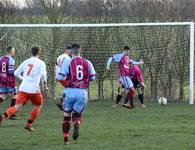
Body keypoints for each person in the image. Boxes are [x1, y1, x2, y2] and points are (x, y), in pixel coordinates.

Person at [0, 46, 48, 132]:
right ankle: (28, 125)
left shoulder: (26, 61)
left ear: (31, 52)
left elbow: (16, 73)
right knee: (38, 105)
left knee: (17, 107)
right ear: (39, 53)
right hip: (34, 89)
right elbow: (44, 76)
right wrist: (45, 86)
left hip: (23, 88)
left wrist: (23, 79)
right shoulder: (41, 63)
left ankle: (3, 117)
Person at [57, 43, 96, 145]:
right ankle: (77, 123)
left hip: (70, 91)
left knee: (66, 116)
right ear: (80, 50)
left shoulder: (68, 61)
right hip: (82, 92)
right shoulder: (88, 62)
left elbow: (59, 77)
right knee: (77, 114)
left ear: (71, 52)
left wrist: (69, 81)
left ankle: (66, 140)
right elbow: (93, 77)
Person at [0, 47, 17, 120]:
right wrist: (11, 83)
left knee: (2, 96)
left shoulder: (1, 58)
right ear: (11, 51)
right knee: (15, 95)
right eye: (13, 50)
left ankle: (12, 114)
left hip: (1, 79)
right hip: (9, 79)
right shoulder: (11, 60)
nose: (14, 52)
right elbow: (10, 72)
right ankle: (12, 114)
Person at [55, 46, 72, 111]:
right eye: (70, 50)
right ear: (67, 50)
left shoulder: (59, 56)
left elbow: (56, 66)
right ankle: (63, 102)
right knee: (71, 88)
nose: (71, 52)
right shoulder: (68, 58)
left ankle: (62, 102)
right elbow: (66, 68)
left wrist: (56, 76)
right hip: (63, 76)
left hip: (58, 76)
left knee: (68, 88)